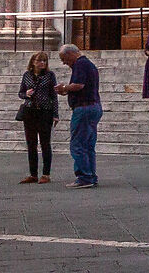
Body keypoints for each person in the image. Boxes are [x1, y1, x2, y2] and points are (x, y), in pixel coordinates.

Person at [61, 41, 103, 187]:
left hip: (84, 108)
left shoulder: (80, 64)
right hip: (94, 107)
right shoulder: (89, 64)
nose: (64, 63)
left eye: (64, 59)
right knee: (88, 144)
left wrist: (64, 88)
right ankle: (91, 175)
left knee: (78, 144)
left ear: (71, 54)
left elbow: (79, 85)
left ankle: (84, 177)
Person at [17, 51, 57, 183]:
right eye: (40, 61)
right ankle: (33, 173)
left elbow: (54, 96)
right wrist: (26, 94)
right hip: (30, 111)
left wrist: (55, 114)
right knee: (31, 143)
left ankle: (46, 174)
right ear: (33, 62)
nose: (42, 63)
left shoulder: (50, 76)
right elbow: (20, 93)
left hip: (45, 111)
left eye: (44, 61)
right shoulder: (27, 75)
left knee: (45, 143)